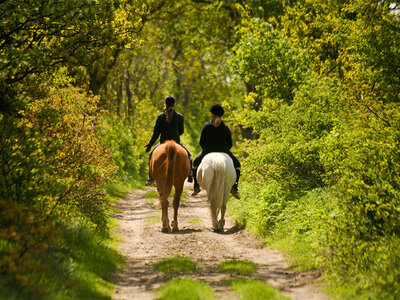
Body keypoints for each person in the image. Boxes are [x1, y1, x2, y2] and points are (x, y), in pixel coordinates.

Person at [191, 104, 241, 199]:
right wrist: (225, 150)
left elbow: (201, 142)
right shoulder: (226, 128)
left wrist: (207, 149)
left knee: (195, 164)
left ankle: (196, 186)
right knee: (238, 166)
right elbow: (230, 143)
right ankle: (234, 187)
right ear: (221, 115)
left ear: (212, 115)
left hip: (208, 151)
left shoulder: (206, 126)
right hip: (224, 151)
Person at [144, 95, 192, 185]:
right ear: (175, 104)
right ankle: (190, 173)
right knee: (189, 156)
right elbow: (181, 132)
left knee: (151, 155)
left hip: (162, 143)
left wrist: (150, 144)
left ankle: (150, 177)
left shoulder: (160, 117)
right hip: (176, 143)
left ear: (165, 104)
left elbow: (156, 134)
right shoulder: (180, 117)